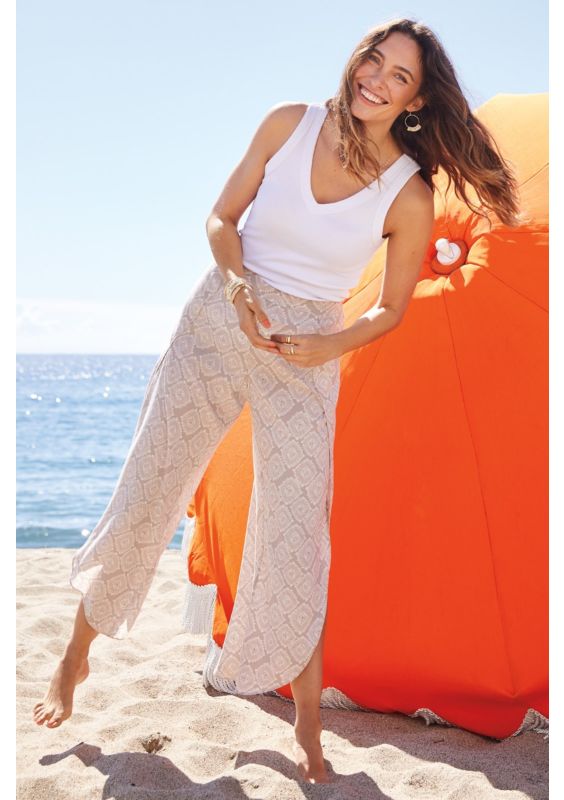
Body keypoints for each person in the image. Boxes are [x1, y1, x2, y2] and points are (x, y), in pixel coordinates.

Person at [33, 17, 523, 785]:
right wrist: (234, 287)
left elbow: (389, 309)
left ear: (418, 101)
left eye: (400, 77)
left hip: (308, 352)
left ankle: (306, 727)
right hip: (218, 321)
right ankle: (72, 660)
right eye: (375, 61)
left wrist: (329, 345)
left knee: (297, 538)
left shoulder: (409, 192)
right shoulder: (289, 124)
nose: (377, 81)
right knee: (148, 493)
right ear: (357, 57)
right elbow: (222, 218)